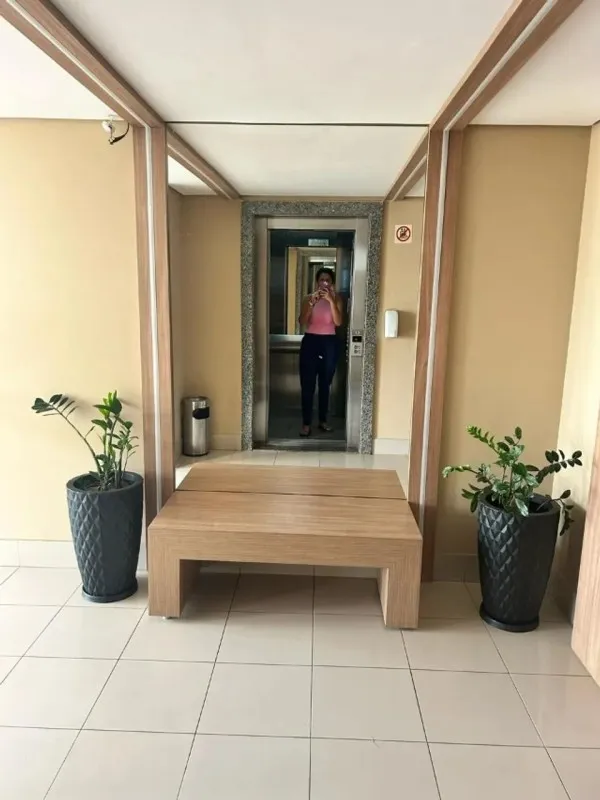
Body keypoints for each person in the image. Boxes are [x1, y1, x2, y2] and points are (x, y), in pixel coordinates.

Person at [298, 267, 344, 437]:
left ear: (332, 283)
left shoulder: (337, 299)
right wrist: (311, 304)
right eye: (321, 280)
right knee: (307, 384)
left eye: (328, 280)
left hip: (329, 343)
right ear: (317, 282)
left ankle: (323, 420)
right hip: (311, 341)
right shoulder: (308, 298)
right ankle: (306, 423)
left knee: (325, 384)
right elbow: (302, 321)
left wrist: (331, 301)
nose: (324, 283)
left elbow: (338, 322)